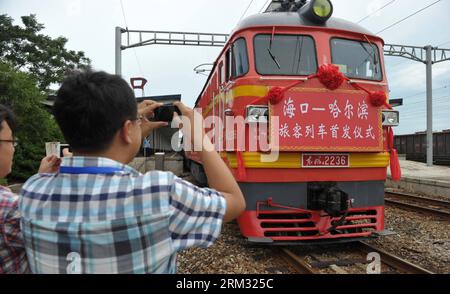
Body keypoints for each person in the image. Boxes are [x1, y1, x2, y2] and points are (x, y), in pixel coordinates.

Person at [19, 70, 245, 274]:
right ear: (127, 130)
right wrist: (199, 134)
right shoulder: (160, 193)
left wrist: (130, 137)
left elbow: (104, 178)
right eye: (136, 122)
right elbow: (234, 201)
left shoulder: (33, 190)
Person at [0, 105, 61, 274]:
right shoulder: (9, 208)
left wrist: (40, 178)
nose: (13, 148)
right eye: (11, 141)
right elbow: (66, 234)